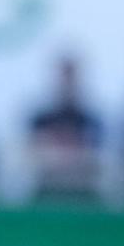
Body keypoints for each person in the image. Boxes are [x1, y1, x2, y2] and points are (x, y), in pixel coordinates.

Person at [26, 52, 102, 196]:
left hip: (83, 190)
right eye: (63, 75)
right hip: (46, 188)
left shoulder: (91, 120)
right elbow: (31, 155)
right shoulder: (41, 119)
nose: (66, 81)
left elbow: (95, 156)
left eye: (70, 75)